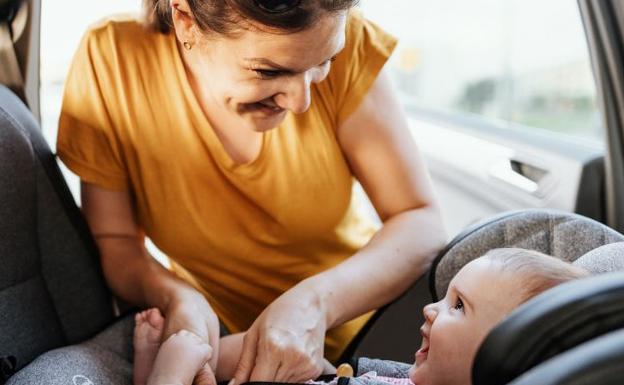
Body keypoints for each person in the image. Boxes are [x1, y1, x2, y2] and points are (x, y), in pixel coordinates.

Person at [57, 0, 446, 384]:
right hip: (234, 354)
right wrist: (178, 297)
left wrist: (317, 304)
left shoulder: (348, 39)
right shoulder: (112, 61)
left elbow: (420, 220)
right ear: (185, 20)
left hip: (378, 335)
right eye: (268, 71)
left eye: (322, 64)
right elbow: (117, 242)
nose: (301, 101)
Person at [131, 248, 588, 385]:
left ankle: (163, 377)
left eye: (458, 306)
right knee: (242, 352)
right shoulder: (415, 377)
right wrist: (325, 373)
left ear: (506, 358)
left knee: (189, 359)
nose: (429, 310)